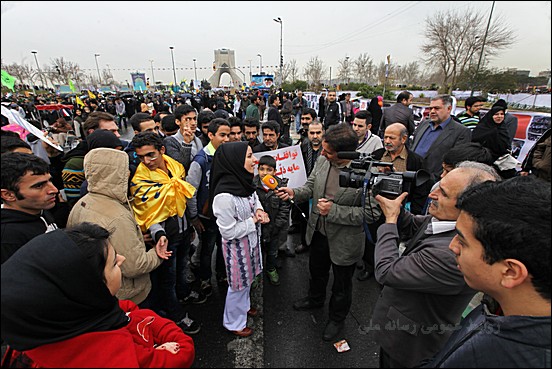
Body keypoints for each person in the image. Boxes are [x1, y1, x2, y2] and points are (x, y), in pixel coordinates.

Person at [1, 222, 195, 368]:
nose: (121, 259)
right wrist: (145, 320)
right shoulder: (113, 356)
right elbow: (183, 349)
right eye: (112, 263)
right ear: (87, 288)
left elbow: (122, 307)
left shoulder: (42, 329)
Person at [372, 164, 501, 368]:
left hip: (410, 345)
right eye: (438, 186)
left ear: (466, 206)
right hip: (398, 329)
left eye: (443, 193)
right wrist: (392, 203)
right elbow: (416, 226)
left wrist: (390, 221)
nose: (432, 194)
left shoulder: (451, 253)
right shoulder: (448, 222)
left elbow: (386, 271)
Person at [422, 176, 551, 368]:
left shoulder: (504, 357)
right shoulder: (500, 307)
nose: (452, 247)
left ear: (510, 272)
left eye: (462, 241)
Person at [276, 123, 382, 342]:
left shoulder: (367, 171)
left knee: (342, 286)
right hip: (318, 233)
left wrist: (334, 211)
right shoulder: (323, 160)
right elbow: (310, 187)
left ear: (345, 153)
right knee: (317, 271)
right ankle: (315, 299)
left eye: (328, 151)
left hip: (345, 241)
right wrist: (293, 193)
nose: (322, 153)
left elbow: (371, 213)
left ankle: (336, 318)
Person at [130, 132, 202, 333]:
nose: (146, 161)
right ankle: (176, 315)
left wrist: (190, 224)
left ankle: (184, 293)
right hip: (166, 239)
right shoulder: (141, 178)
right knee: (167, 279)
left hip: (184, 231)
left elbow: (184, 197)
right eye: (141, 157)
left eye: (151, 155)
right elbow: (148, 213)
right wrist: (159, 235)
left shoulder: (176, 167)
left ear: (162, 150)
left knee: (182, 269)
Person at [211, 141, 269, 337]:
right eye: (249, 156)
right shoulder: (224, 196)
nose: (255, 160)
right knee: (237, 285)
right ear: (235, 161)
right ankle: (233, 322)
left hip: (250, 244)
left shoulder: (243, 181)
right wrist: (254, 220)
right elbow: (227, 232)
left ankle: (243, 308)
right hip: (237, 250)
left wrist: (260, 211)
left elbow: (254, 199)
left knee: (247, 281)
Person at [187, 118, 231, 296]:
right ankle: (205, 279)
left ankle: (222, 275)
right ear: (210, 135)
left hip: (225, 215)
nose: (227, 139)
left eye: (228, 135)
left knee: (223, 247)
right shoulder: (201, 160)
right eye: (222, 135)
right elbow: (190, 190)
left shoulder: (227, 154)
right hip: (207, 217)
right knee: (207, 249)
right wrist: (194, 217)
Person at [1, 152, 59, 264]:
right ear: (8, 195)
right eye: (39, 186)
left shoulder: (39, 210)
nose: (54, 190)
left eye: (50, 181)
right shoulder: (8, 239)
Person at [411, 95, 472, 182]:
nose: (432, 111)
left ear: (449, 109)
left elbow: (457, 162)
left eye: (437, 108)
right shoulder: (424, 124)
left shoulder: (461, 132)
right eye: (430, 108)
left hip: (435, 181)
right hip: (412, 176)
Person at [253, 155, 291, 285]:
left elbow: (285, 209)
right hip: (256, 228)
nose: (264, 173)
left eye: (269, 170)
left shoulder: (280, 186)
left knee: (272, 251)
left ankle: (271, 269)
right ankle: (256, 273)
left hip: (274, 228)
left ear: (275, 172)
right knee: (256, 251)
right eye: (261, 169)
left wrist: (277, 226)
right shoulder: (252, 184)